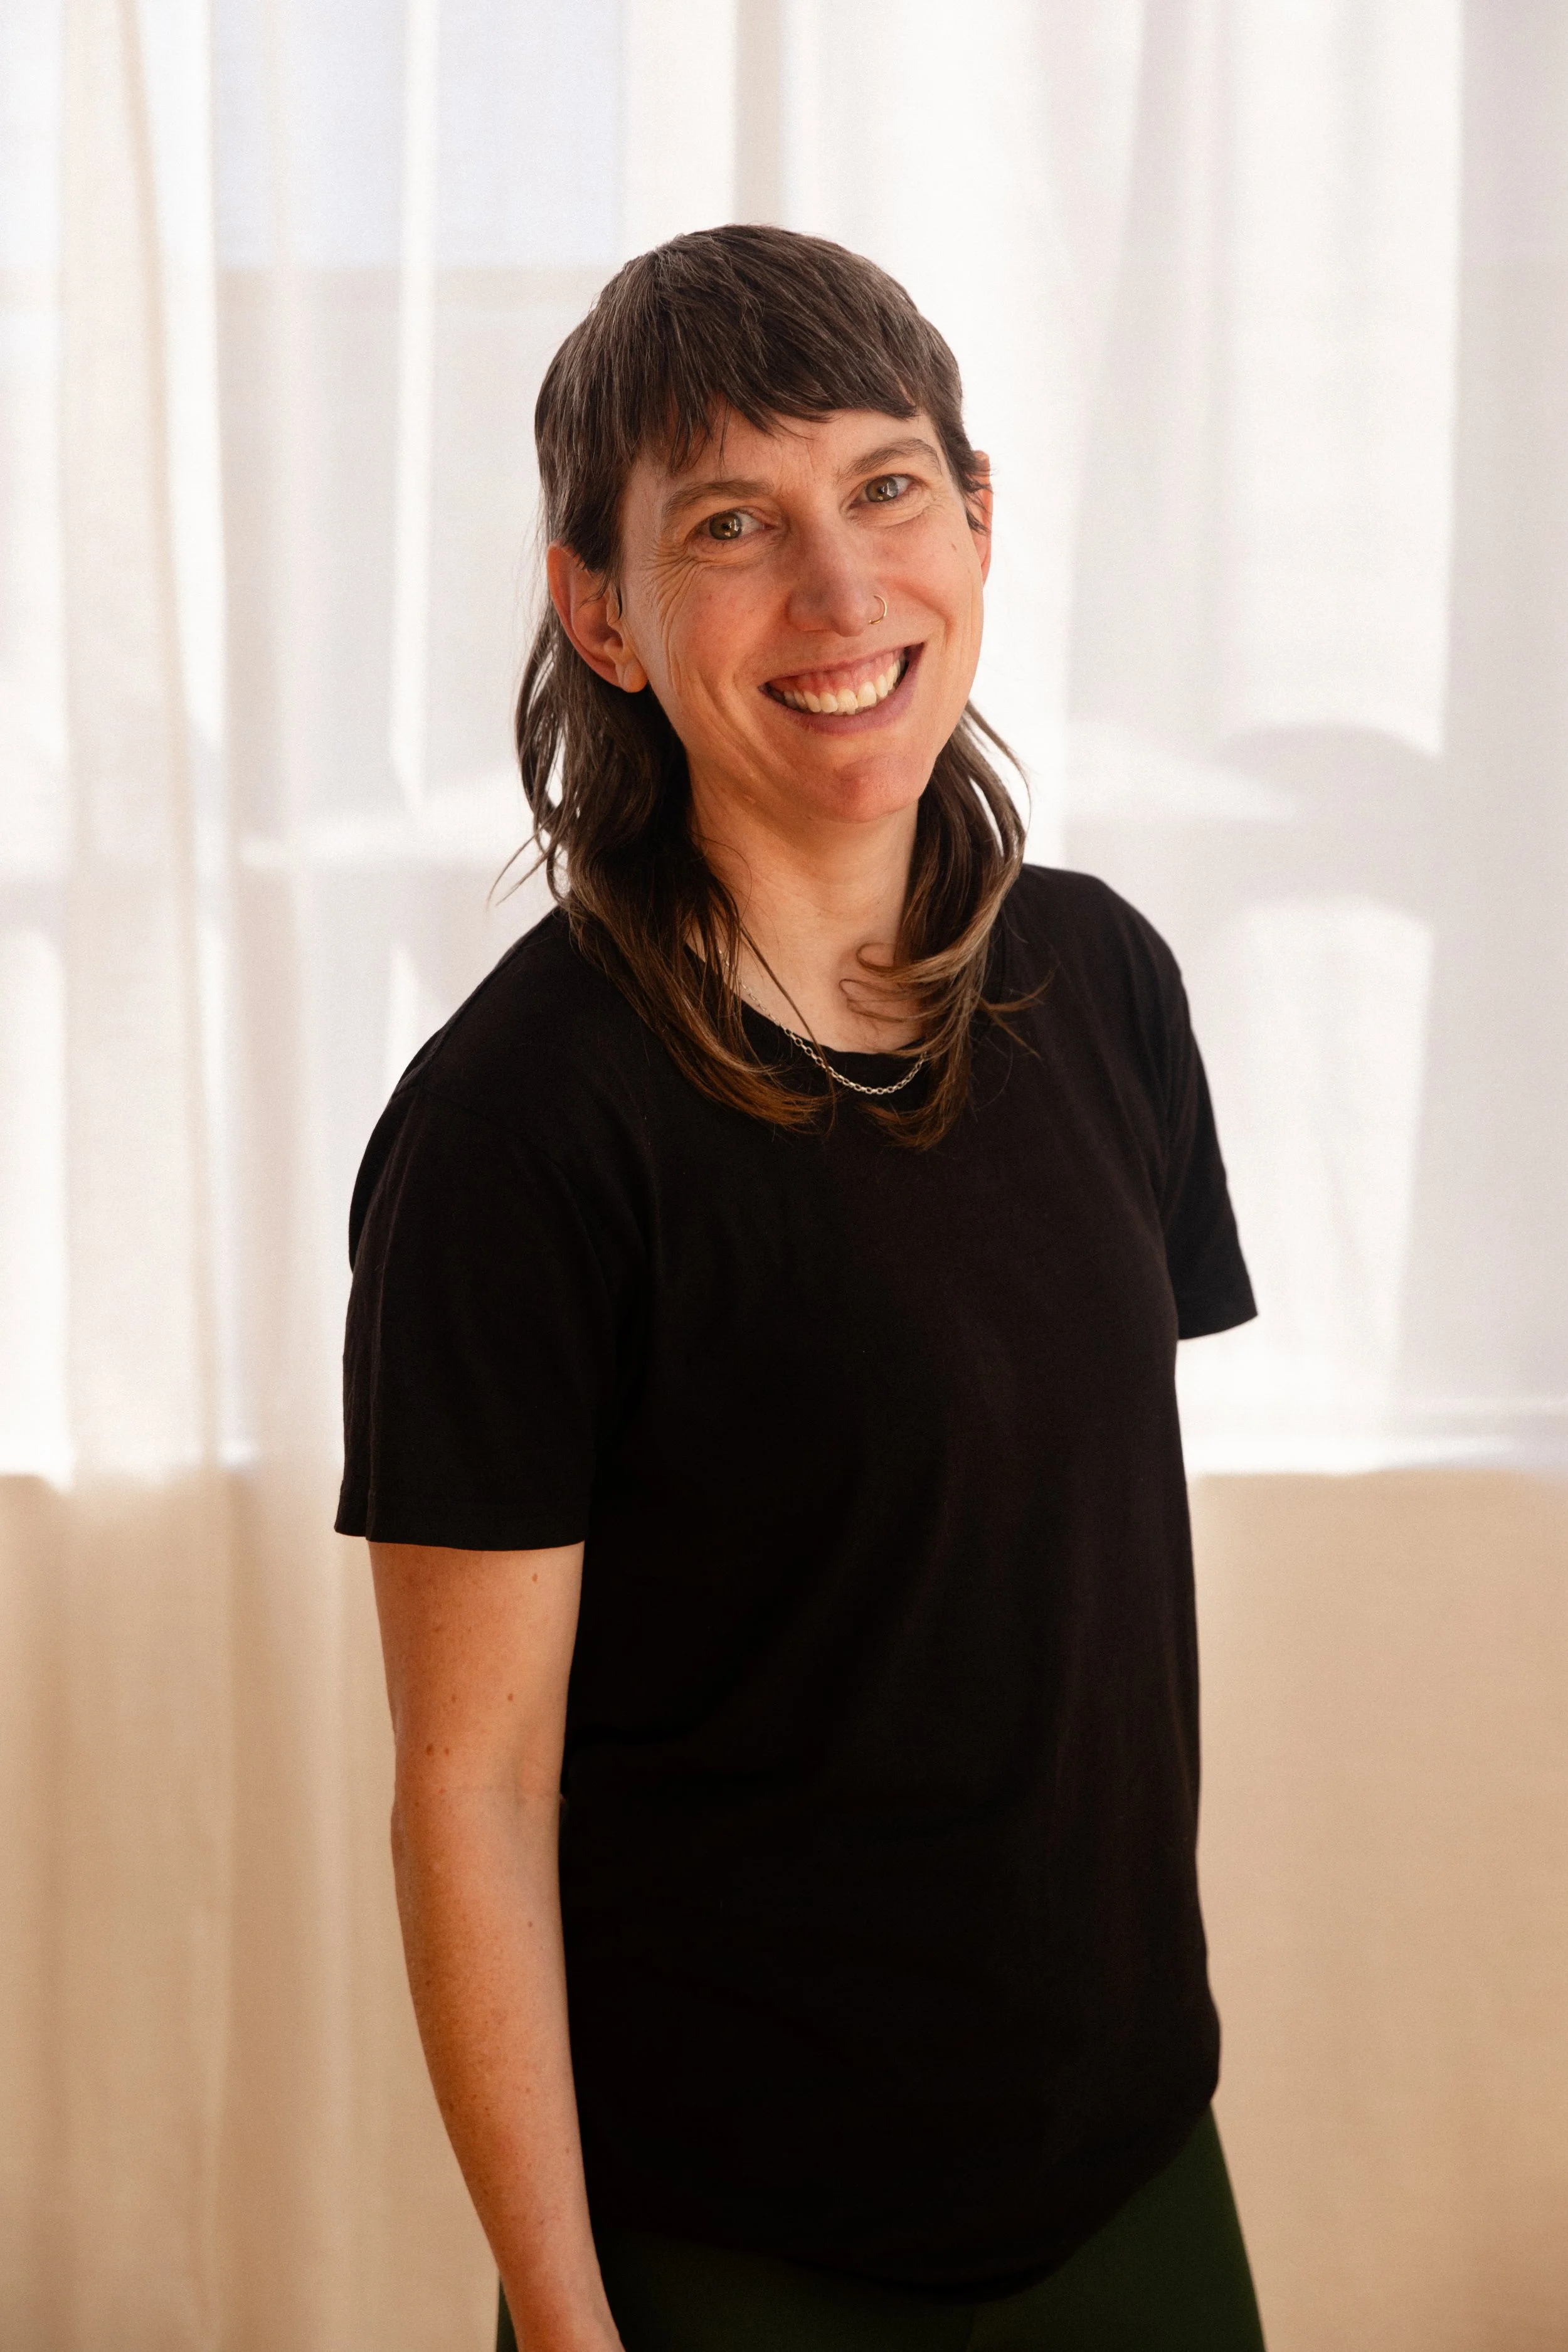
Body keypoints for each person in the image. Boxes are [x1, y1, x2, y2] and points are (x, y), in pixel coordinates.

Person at [339, 225, 1266, 2352]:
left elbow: (1039, 1592)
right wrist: (567, 2321)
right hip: (735, 2243)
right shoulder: (514, 1129)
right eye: (732, 525)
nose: (842, 594)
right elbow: (470, 1790)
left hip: (1128, 2162)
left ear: (977, 519)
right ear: (603, 612)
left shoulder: (1105, 981)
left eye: (885, 487)